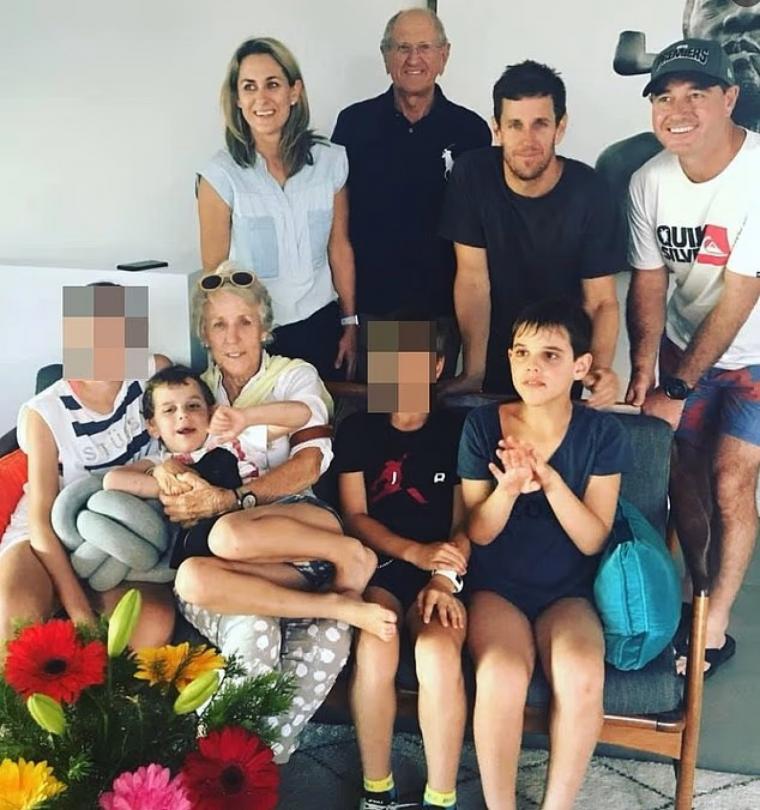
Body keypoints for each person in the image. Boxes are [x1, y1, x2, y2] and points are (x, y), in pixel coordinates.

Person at [162, 262, 385, 761]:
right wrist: (166, 477)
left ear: (265, 327)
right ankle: (246, 770)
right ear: (204, 334)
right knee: (215, 595)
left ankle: (220, 768)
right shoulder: (192, 394)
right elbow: (160, 450)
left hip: (292, 527)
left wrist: (236, 499)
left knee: (232, 542)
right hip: (244, 563)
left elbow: (310, 463)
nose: (232, 336)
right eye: (219, 324)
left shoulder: (294, 375)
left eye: (244, 321)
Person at [458, 299, 631, 810]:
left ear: (580, 366)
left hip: (569, 591)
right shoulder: (482, 426)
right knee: (501, 674)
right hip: (497, 587)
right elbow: (478, 534)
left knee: (582, 675)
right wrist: (509, 489)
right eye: (521, 352)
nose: (532, 366)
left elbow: (593, 539)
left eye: (550, 355)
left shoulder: (602, 433)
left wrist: (551, 482)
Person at [626, 38, 760, 677]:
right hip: (686, 348)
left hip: (755, 356)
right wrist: (644, 372)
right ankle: (685, 596)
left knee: (732, 481)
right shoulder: (647, 181)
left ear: (729, 98)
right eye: (664, 97)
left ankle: (714, 624)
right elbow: (650, 283)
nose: (677, 111)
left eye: (695, 95)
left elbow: (740, 295)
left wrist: (675, 388)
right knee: (683, 476)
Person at [104, 363, 395, 639]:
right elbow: (113, 480)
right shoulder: (162, 464)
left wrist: (245, 417)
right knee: (189, 579)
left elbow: (301, 415)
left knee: (225, 536)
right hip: (282, 569)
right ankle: (332, 606)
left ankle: (348, 553)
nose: (183, 416)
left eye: (193, 406)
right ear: (152, 426)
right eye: (169, 410)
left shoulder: (232, 439)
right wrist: (160, 471)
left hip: (302, 529)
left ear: (211, 412)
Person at [0, 285, 176, 659]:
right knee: (14, 623)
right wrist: (79, 610)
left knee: (151, 626)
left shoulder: (154, 375)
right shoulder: (45, 412)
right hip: (50, 531)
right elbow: (42, 523)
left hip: (123, 529)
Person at [335, 320, 468, 810]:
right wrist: (412, 552)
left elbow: (468, 522)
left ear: (436, 367)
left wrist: (442, 576)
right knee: (376, 646)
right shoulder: (358, 429)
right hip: (383, 565)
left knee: (437, 652)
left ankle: (441, 795)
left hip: (443, 571)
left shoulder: (457, 430)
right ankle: (377, 790)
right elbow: (355, 517)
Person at [439, 60, 621, 404]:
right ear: (497, 129)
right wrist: (474, 371)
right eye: (515, 125)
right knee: (402, 416)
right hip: (463, 337)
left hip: (558, 357)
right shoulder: (472, 173)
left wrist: (597, 370)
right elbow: (473, 281)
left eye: (540, 124)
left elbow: (601, 300)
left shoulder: (591, 191)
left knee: (549, 438)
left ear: (560, 128)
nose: (528, 140)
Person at [331, 8, 490, 377]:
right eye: (402, 48)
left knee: (425, 409)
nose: (413, 59)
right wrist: (347, 317)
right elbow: (337, 224)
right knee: (393, 408)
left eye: (425, 47)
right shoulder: (354, 125)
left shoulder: (471, 131)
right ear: (386, 56)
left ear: (444, 55)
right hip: (375, 306)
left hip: (442, 308)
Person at [197, 36, 358, 381]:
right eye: (249, 87)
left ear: (294, 92)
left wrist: (350, 322)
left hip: (320, 325)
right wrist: (225, 346)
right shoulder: (220, 175)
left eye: (272, 84)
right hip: (255, 335)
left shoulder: (330, 161)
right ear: (237, 99)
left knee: (319, 413)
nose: (262, 98)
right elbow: (214, 275)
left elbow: (339, 247)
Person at [596, 0, 760, 255]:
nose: (736, 18)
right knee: (620, 161)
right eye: (716, 4)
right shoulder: (640, 172)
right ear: (689, 28)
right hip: (671, 269)